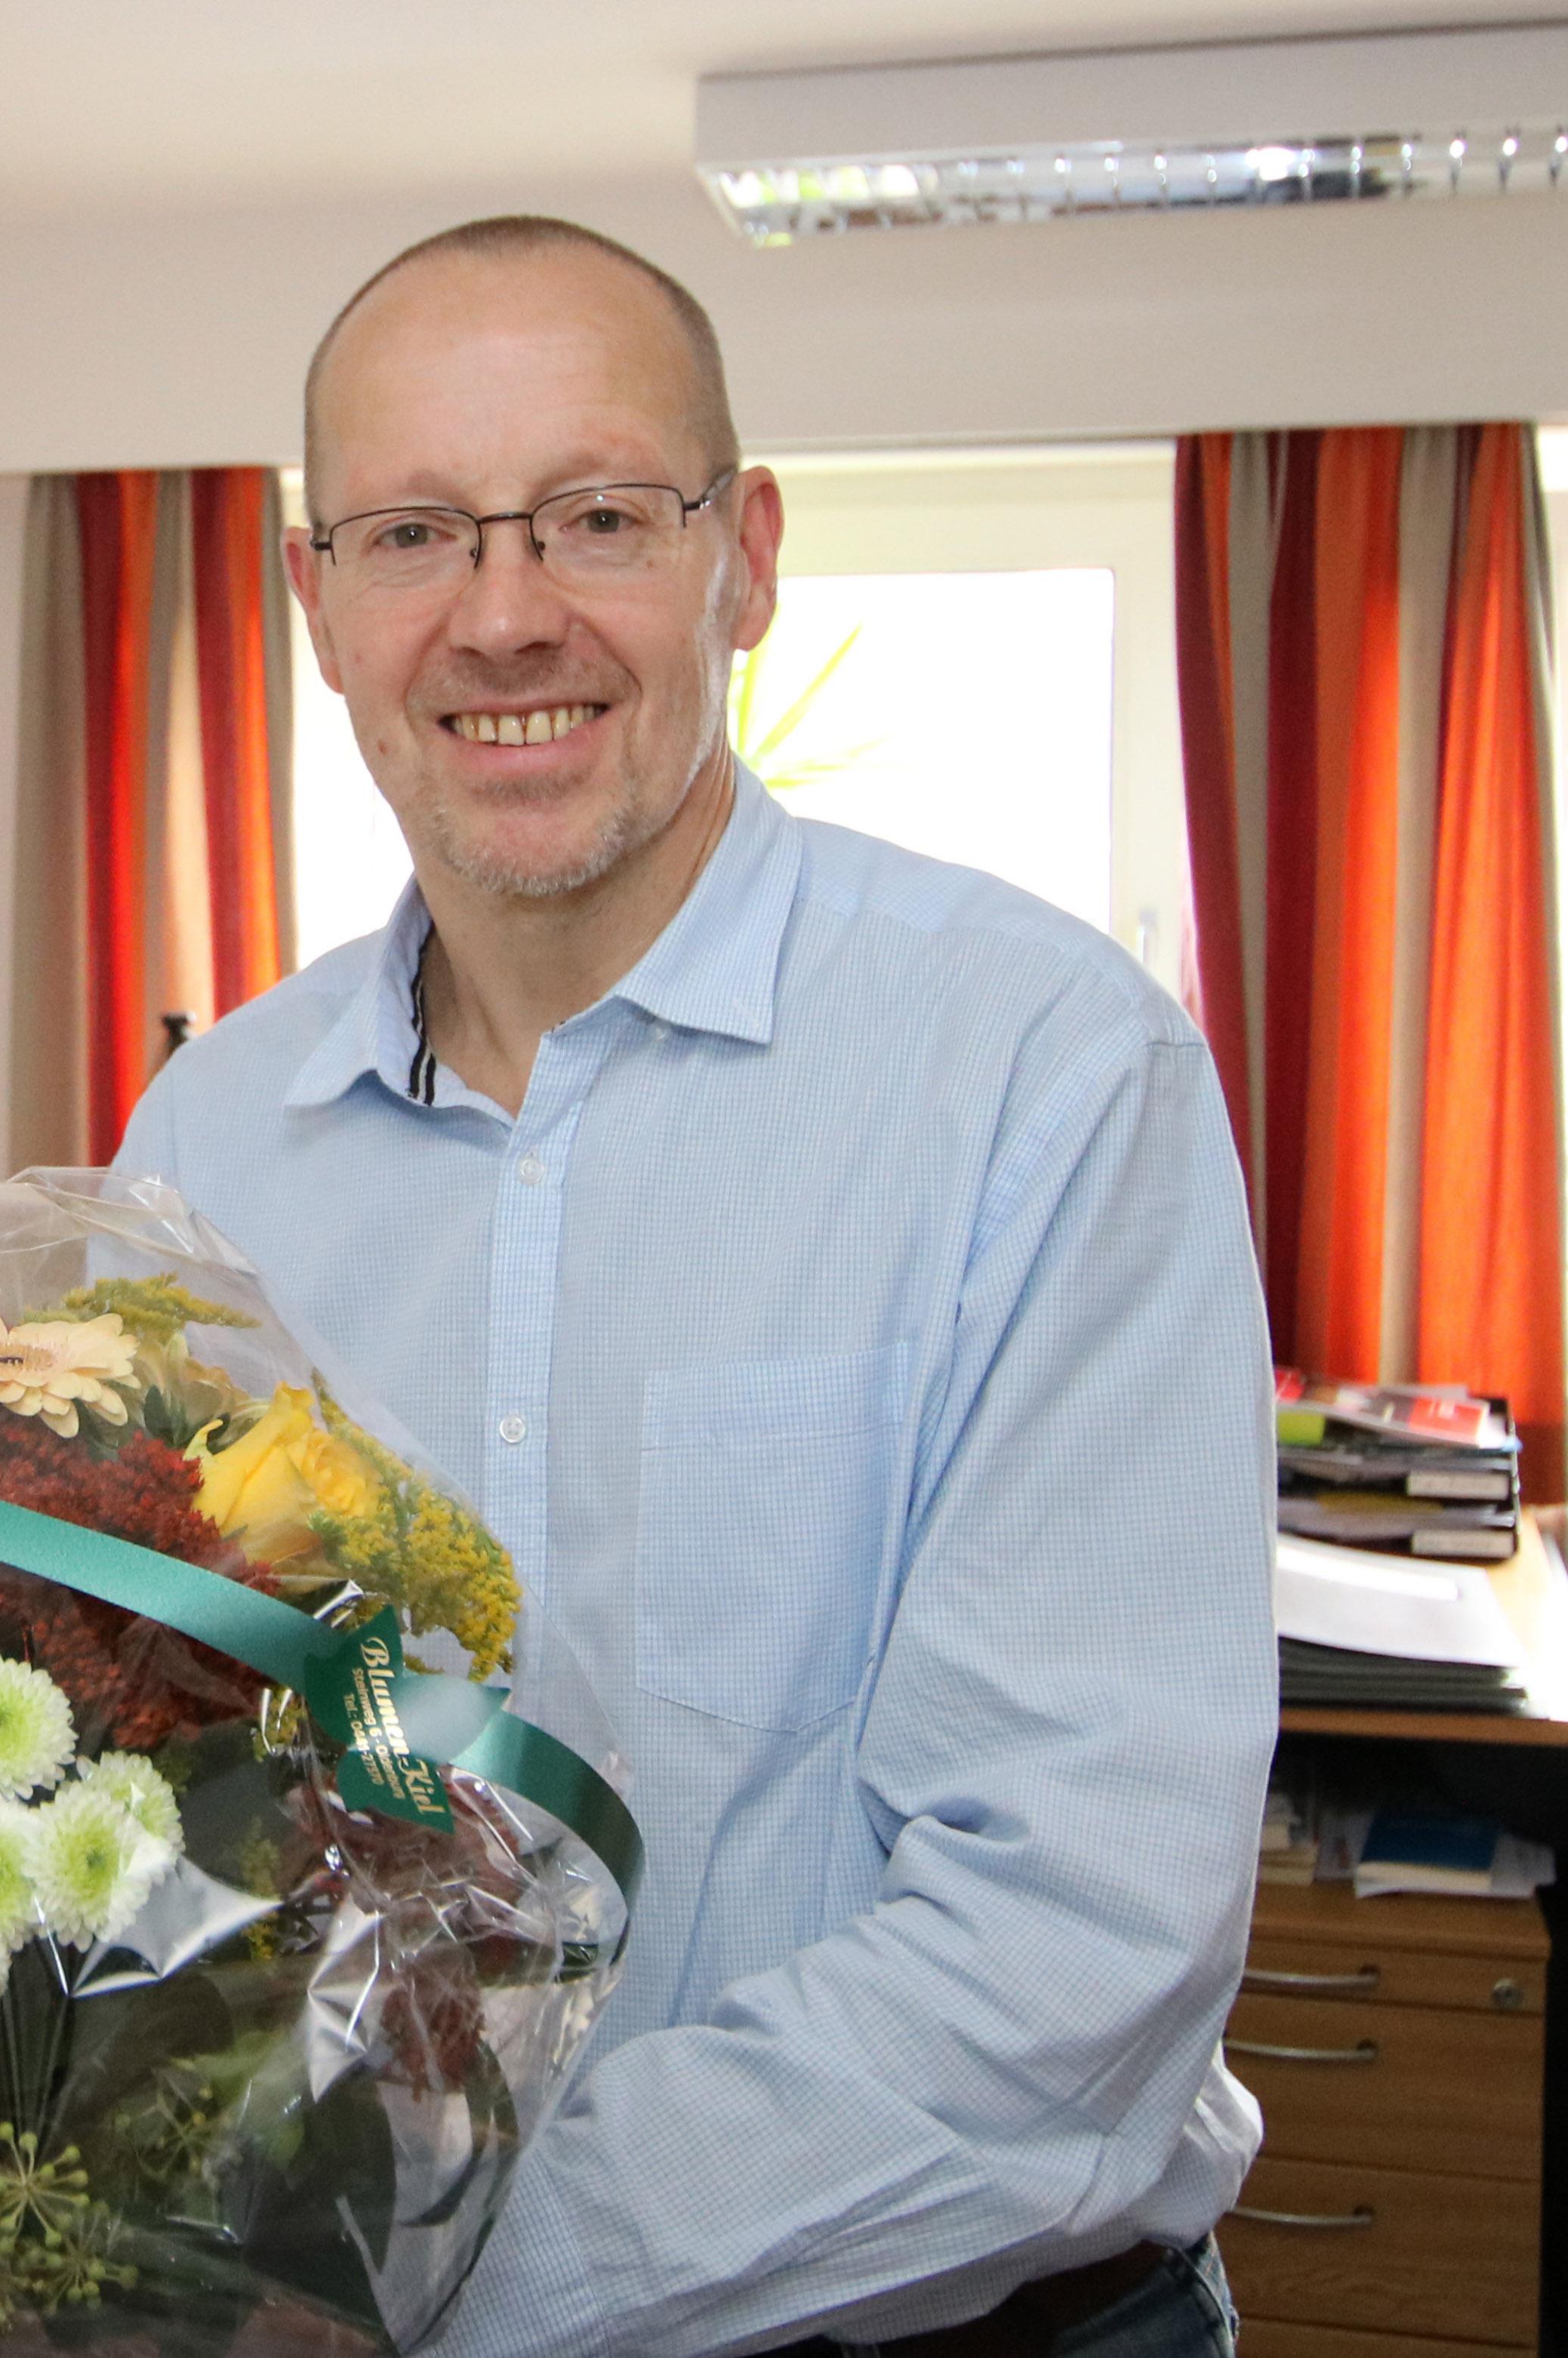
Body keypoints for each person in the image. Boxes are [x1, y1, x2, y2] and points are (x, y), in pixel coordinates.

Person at [116, 217, 1271, 2358]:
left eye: (597, 514)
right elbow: (175, 1767)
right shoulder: (205, 1147)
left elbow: (1074, 1941)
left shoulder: (1041, 1072)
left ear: (744, 558)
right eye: (411, 534)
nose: (501, 614)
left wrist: (434, 2280)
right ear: (315, 604)